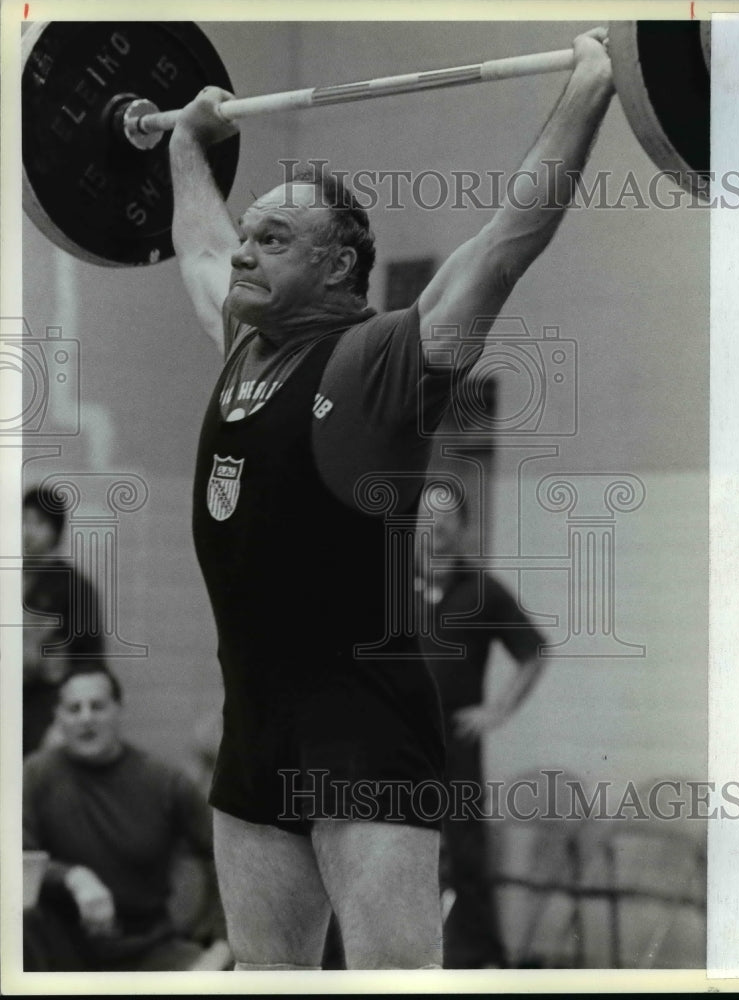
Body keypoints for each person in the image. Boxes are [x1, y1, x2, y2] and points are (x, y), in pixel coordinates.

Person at [167, 27, 614, 970]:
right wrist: (181, 145)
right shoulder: (245, 348)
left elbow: (505, 243)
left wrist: (592, 84)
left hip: (363, 732)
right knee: (269, 978)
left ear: (335, 267)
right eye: (250, 234)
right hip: (253, 732)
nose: (244, 254)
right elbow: (200, 242)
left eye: (275, 239)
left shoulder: (381, 359)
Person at [22, 662, 227, 972]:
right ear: (59, 717)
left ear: (120, 711)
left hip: (149, 950)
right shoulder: (35, 775)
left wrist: (223, 946)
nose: (86, 717)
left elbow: (226, 860)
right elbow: (16, 859)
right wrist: (74, 877)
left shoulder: (165, 782)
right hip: (55, 952)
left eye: (98, 706)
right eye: (74, 708)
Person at [416, 505, 546, 968]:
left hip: (456, 742)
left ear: (463, 527)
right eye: (427, 517)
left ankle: (478, 960)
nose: (437, 527)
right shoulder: (387, 586)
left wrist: (497, 710)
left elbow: (533, 652)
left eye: (448, 518)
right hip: (395, 743)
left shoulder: (483, 591)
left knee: (465, 851)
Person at [22, 485, 105, 757]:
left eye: (38, 522)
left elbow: (90, 661)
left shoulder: (73, 587)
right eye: (23, 520)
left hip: (45, 712)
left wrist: (63, 722)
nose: (27, 531)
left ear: (55, 530)